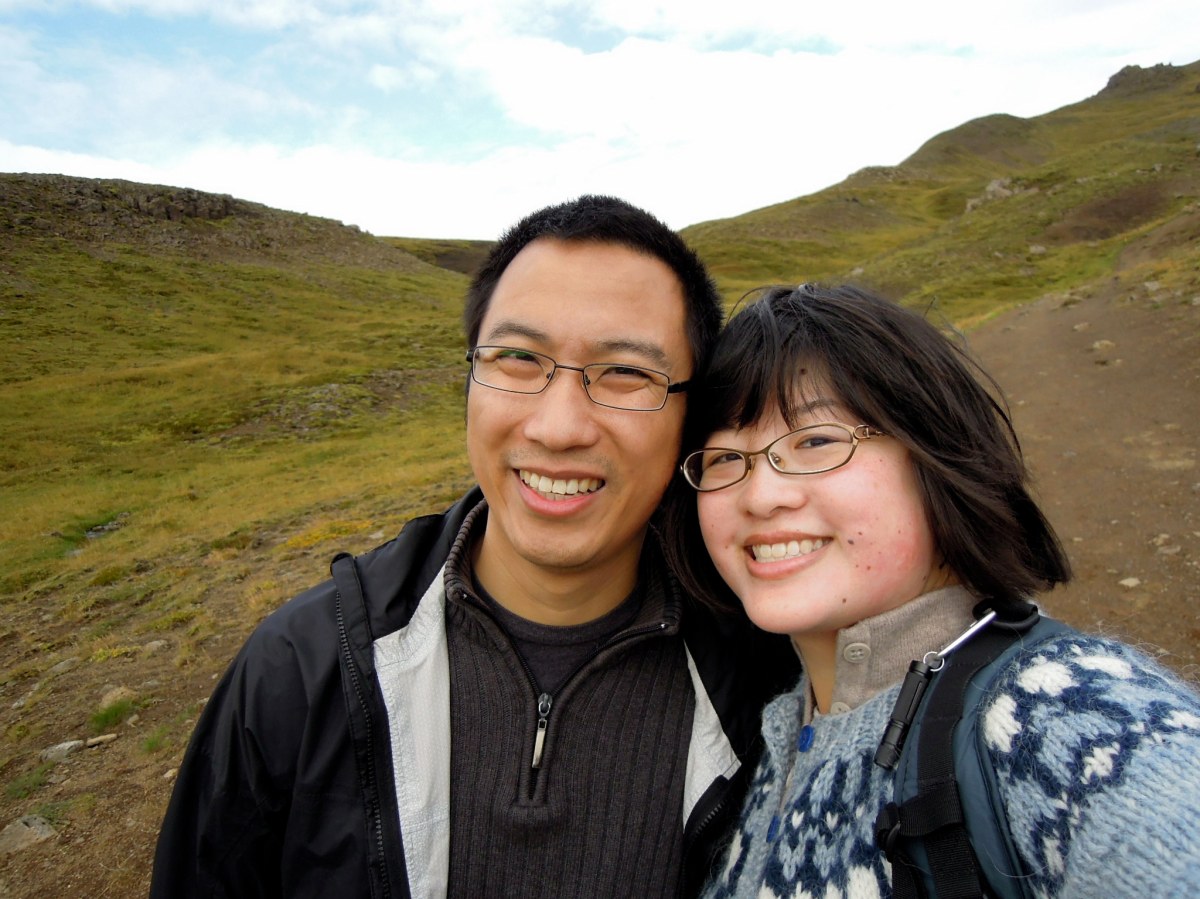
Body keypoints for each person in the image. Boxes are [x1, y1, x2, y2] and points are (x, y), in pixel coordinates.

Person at [149, 196, 799, 898]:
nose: (557, 428)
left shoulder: (772, 682)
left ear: (690, 418)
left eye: (625, 373)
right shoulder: (298, 672)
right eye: (517, 358)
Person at [664, 283, 1200, 898]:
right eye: (724, 459)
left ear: (936, 454)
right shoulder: (774, 728)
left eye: (815, 441)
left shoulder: (1071, 720)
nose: (760, 496)